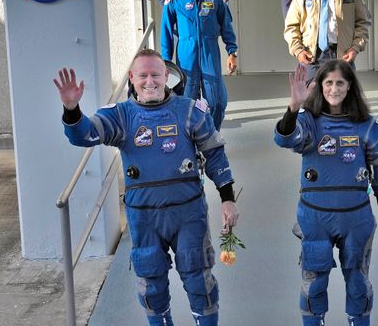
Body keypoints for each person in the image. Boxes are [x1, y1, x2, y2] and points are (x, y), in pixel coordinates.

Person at [53, 49, 239, 326]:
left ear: (167, 76)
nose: (149, 81)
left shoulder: (189, 111)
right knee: (152, 285)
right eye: (143, 75)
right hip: (144, 218)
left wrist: (227, 198)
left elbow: (214, 154)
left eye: (155, 74)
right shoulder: (121, 116)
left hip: (188, 214)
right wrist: (72, 110)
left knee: (200, 280)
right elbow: (87, 134)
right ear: (131, 77)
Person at [274, 61, 378, 326]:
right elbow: (285, 138)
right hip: (315, 218)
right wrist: (293, 108)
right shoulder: (308, 122)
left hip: (355, 219)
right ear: (320, 86)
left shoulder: (368, 127)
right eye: (328, 82)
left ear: (350, 86)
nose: (334, 88)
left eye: (340, 83)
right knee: (314, 284)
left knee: (358, 283)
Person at [161, 0, 238, 131]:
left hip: (210, 54)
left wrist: (232, 52)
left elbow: (226, 27)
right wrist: (165, 61)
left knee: (217, 103)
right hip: (186, 57)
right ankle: (190, 140)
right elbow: (166, 31)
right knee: (186, 104)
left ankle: (212, 136)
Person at [284, 0, 370, 82]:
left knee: (343, 98)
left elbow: (362, 23)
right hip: (312, 56)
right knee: (312, 100)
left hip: (343, 55)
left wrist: (355, 48)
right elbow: (291, 26)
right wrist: (298, 50)